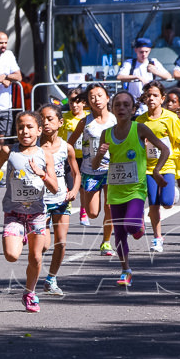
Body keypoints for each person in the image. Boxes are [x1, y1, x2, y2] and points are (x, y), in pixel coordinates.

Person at [91, 91, 169, 287]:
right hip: (115, 190)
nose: (122, 108)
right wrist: (100, 154)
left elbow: (164, 149)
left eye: (126, 105)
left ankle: (139, 225)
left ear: (133, 109)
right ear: (112, 109)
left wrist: (157, 171)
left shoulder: (140, 128)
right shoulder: (106, 134)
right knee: (119, 235)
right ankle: (126, 270)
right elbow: (94, 165)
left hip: (136, 189)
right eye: (118, 105)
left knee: (131, 226)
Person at [0, 111, 59, 313]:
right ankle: (21, 236)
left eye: (29, 127)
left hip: (37, 214)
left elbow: (54, 188)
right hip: (14, 213)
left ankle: (30, 293)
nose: (24, 131)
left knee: (36, 258)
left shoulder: (45, 155)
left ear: (39, 130)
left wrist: (42, 174)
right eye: (20, 127)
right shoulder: (8, 151)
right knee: (11, 255)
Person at [136, 81, 180, 253]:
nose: (151, 98)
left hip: (167, 165)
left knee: (167, 202)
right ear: (144, 99)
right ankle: (157, 238)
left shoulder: (170, 118)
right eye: (148, 95)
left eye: (154, 95)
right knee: (153, 202)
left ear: (162, 98)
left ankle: (172, 191)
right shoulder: (140, 121)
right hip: (148, 167)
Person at [66, 83, 116, 256]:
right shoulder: (85, 121)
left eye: (100, 95)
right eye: (92, 97)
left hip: (111, 170)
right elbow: (69, 144)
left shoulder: (115, 120)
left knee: (110, 207)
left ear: (107, 98)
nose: (96, 100)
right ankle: (87, 208)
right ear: (88, 101)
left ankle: (106, 242)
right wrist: (70, 161)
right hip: (90, 171)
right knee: (93, 213)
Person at [38, 103, 80, 296]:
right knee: (45, 244)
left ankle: (51, 278)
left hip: (61, 198)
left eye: (50, 119)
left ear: (60, 122)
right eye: (42, 119)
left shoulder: (67, 147)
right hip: (40, 200)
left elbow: (76, 173)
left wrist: (75, 190)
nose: (45, 123)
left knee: (61, 243)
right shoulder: (34, 147)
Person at [59, 87, 89, 224]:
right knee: (69, 184)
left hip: (85, 155)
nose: (74, 105)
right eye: (71, 102)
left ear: (83, 102)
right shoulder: (64, 118)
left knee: (82, 186)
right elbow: (59, 137)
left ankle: (84, 211)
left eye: (77, 102)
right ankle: (68, 203)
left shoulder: (88, 117)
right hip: (69, 157)